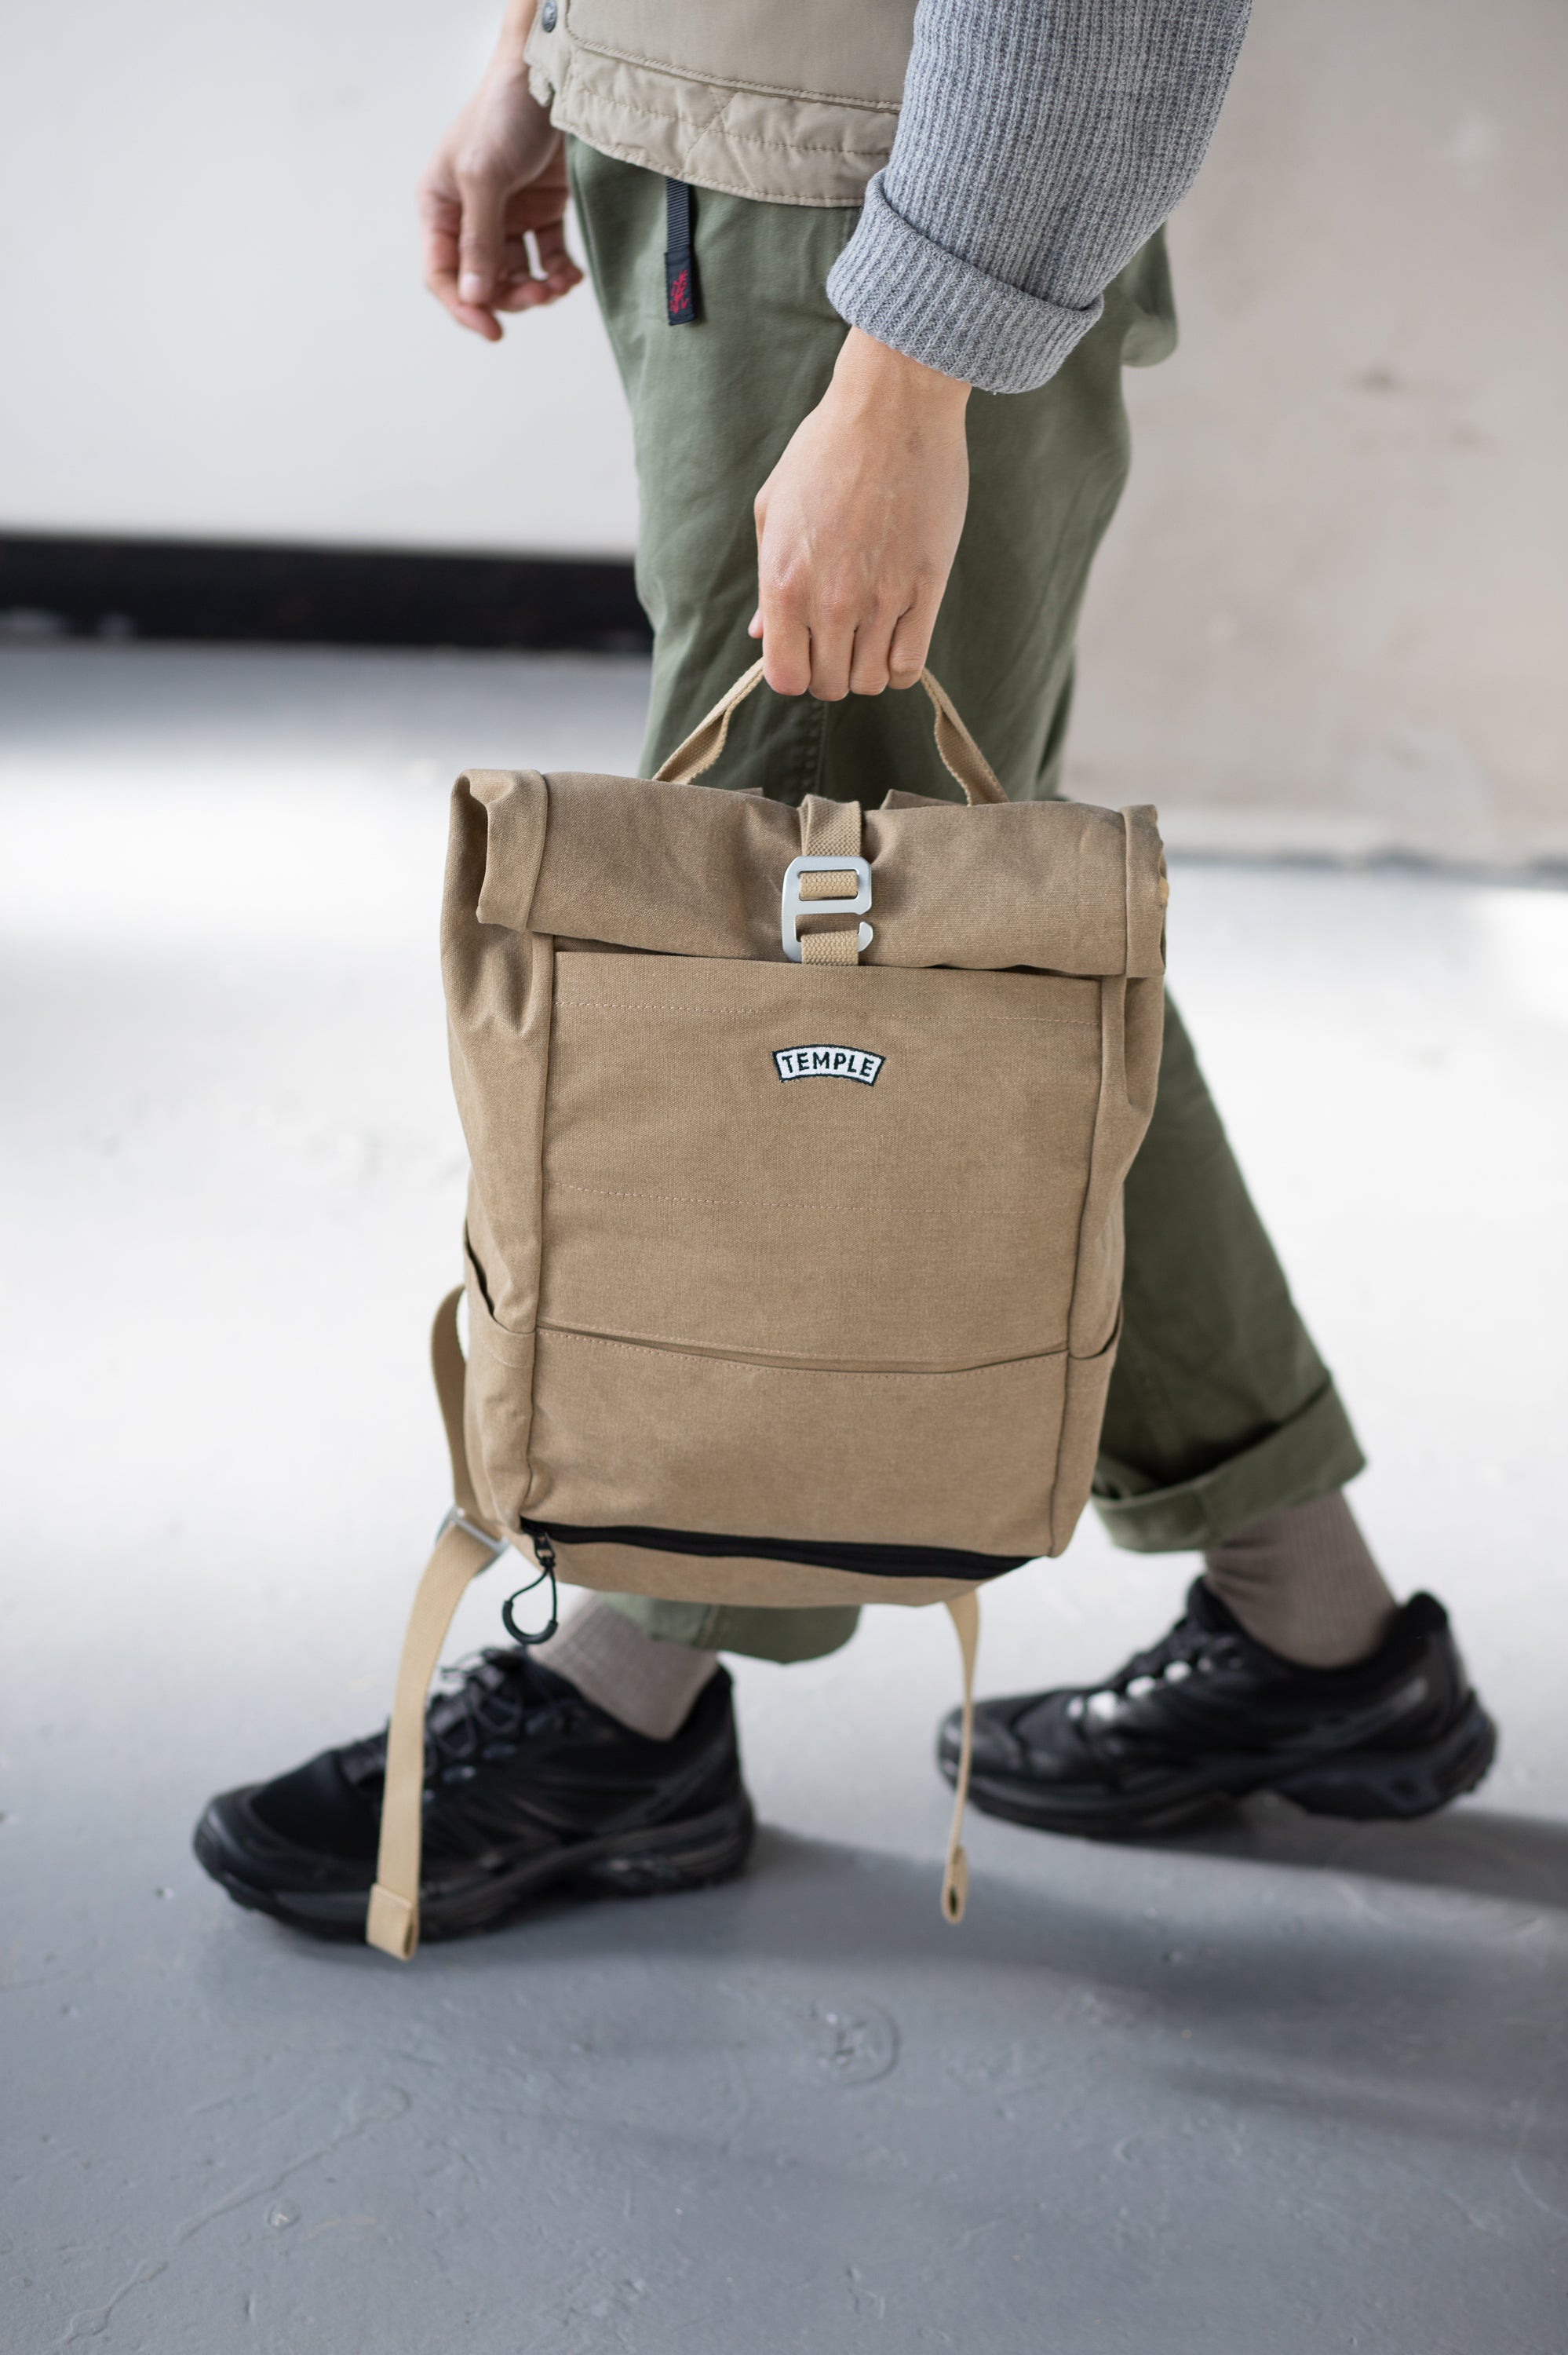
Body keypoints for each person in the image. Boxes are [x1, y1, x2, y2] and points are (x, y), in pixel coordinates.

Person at [194, 0, 1495, 1940]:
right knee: (957, 958)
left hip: (867, 217)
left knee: (800, 969)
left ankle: (623, 1701)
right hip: (729, 161)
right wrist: (545, 47)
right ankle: (1318, 1633)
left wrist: (906, 369)